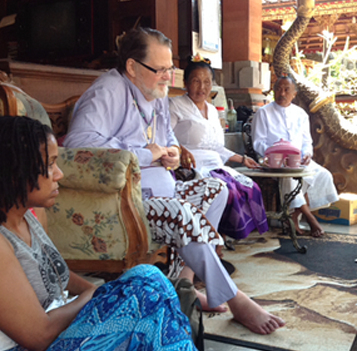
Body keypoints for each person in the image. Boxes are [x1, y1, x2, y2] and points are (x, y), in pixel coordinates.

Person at [64, 27, 285, 334]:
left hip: (162, 188)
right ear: (131, 67)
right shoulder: (108, 91)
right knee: (180, 213)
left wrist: (172, 154)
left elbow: (167, 139)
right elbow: (77, 145)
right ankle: (234, 297)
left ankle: (183, 282)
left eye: (171, 69)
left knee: (215, 189)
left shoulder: (154, 92)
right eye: (161, 69)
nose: (168, 77)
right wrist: (144, 154)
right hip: (126, 202)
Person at [0, 116, 196, 350]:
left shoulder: (28, 217)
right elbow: (38, 336)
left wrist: (91, 289)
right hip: (24, 346)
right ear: (12, 170)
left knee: (148, 278)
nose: (59, 174)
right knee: (144, 289)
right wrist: (95, 295)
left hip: (55, 333)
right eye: (50, 164)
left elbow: (55, 272)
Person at [169, 55, 269, 241]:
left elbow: (217, 148)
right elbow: (164, 136)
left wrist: (242, 159)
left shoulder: (213, 111)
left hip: (216, 165)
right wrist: (180, 149)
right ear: (185, 82)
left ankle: (218, 239)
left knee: (249, 187)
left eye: (207, 82)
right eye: (196, 81)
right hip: (192, 167)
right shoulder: (175, 105)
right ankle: (210, 242)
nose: (202, 87)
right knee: (226, 191)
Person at [251, 75, 339, 237]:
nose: (282, 93)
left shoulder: (301, 114)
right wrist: (275, 154)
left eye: (286, 90)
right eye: (278, 89)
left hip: (298, 160)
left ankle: (293, 217)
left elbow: (307, 141)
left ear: (294, 94)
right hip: (272, 162)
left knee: (323, 175)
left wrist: (307, 154)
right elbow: (258, 142)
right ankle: (310, 218)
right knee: (290, 178)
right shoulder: (263, 113)